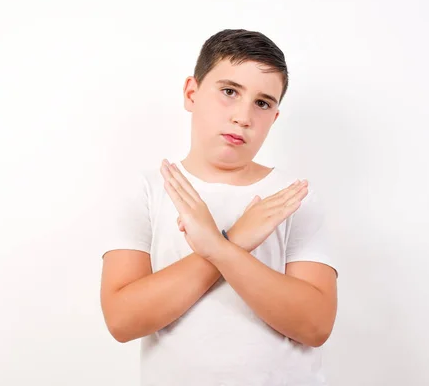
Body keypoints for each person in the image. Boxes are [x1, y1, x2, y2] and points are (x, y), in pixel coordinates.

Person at [100, 29, 338, 386]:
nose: (243, 116)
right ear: (191, 93)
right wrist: (236, 239)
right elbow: (122, 321)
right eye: (229, 92)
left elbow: (315, 326)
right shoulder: (149, 190)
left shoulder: (291, 197)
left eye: (262, 103)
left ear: (273, 118)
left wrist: (218, 247)